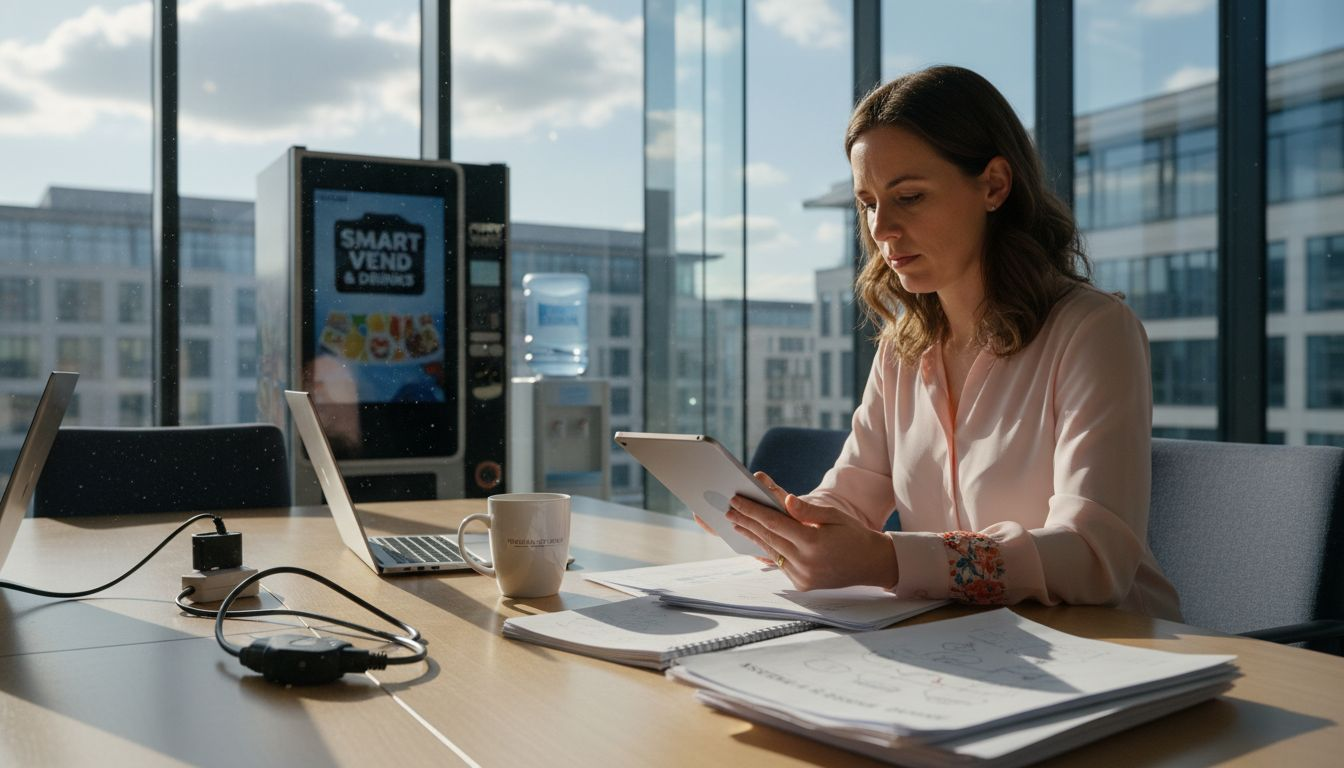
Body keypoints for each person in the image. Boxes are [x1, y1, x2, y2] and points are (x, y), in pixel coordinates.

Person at [725, 65, 1181, 621]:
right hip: (967, 644)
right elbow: (850, 498)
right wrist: (785, 523)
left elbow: (1093, 557)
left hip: (1113, 645)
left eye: (909, 196)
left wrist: (888, 560)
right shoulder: (902, 348)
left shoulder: (1093, 331)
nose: (881, 229)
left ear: (994, 185)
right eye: (868, 203)